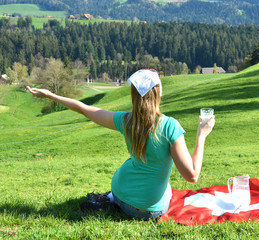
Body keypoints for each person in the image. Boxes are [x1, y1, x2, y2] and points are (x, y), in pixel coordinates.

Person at [27, 69, 215, 220]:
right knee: (167, 189)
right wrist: (202, 135)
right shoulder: (170, 126)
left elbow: (84, 109)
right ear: (159, 92)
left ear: (134, 94)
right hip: (149, 211)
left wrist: (50, 95)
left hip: (120, 193)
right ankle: (107, 200)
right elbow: (192, 176)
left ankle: (108, 200)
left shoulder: (126, 120)